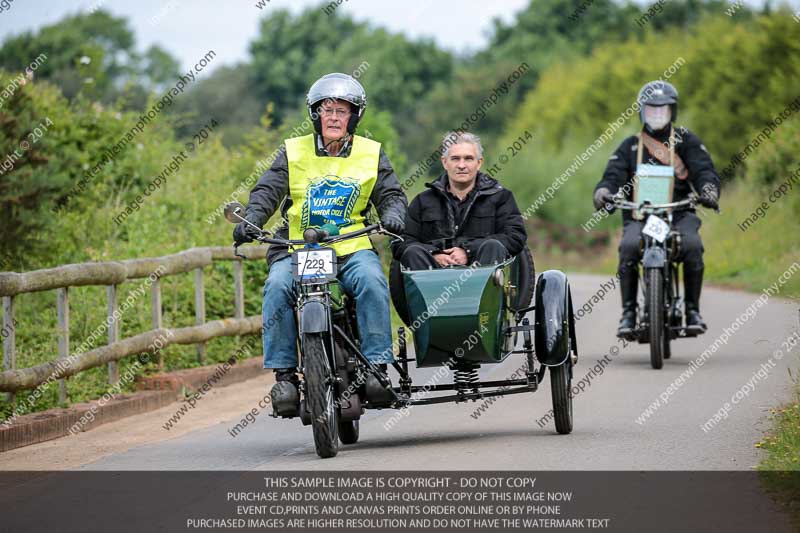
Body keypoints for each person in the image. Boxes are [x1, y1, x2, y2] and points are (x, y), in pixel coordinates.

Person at [233, 73, 407, 416]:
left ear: (354, 117)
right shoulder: (292, 151)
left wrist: (394, 214)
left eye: (342, 111)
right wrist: (251, 219)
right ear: (315, 115)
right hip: (298, 249)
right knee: (277, 286)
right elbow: (267, 191)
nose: (334, 117)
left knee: (372, 282)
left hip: (351, 246)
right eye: (326, 110)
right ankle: (285, 377)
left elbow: (391, 194)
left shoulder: (371, 153)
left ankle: (376, 368)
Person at [593, 80, 720, 339]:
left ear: (672, 111)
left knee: (693, 245)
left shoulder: (686, 141)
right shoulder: (629, 146)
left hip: (679, 213)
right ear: (642, 112)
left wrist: (708, 190)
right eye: (652, 110)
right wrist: (604, 192)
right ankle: (628, 312)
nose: (657, 114)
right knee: (629, 246)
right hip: (640, 216)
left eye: (663, 110)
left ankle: (692, 310)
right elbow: (612, 176)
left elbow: (704, 170)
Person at [393, 132, 527, 270]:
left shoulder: (501, 198)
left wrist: (468, 251)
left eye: (468, 158)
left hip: (481, 277)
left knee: (493, 245)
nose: (461, 165)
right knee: (413, 251)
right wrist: (434, 254)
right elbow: (401, 243)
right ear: (445, 162)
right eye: (455, 159)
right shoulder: (422, 202)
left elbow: (515, 237)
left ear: (479, 162)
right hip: (432, 279)